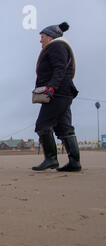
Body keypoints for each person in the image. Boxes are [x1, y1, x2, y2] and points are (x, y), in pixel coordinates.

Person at [32, 21, 82, 172]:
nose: (41, 40)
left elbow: (59, 68)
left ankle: (51, 159)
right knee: (64, 127)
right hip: (63, 93)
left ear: (50, 36)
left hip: (57, 94)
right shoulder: (59, 46)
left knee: (42, 125)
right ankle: (74, 162)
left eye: (42, 37)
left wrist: (51, 88)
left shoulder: (57, 46)